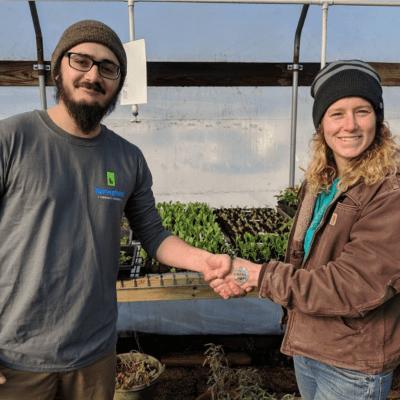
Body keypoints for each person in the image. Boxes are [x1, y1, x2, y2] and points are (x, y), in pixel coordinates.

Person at [0, 20, 239, 400]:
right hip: (16, 358)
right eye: (81, 61)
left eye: (108, 68)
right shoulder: (12, 139)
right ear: (58, 66)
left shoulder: (128, 158)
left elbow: (154, 235)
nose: (94, 75)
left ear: (118, 83)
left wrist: (204, 259)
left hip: (95, 354)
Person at [211, 60, 400, 400]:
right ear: (321, 123)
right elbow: (307, 264)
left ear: (378, 117)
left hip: (351, 363)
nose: (351, 125)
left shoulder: (389, 191)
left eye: (363, 111)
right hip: (310, 345)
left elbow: (355, 286)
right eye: (337, 113)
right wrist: (251, 278)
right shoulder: (322, 181)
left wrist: (260, 276)